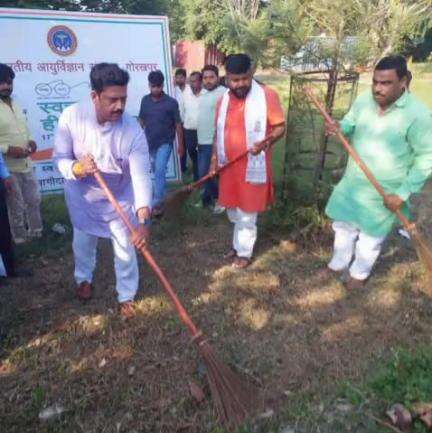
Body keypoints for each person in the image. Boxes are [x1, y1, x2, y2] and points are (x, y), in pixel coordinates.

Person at [323, 55, 432, 289]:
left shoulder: (419, 116)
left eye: (386, 83)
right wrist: (338, 127)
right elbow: (350, 123)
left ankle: (359, 274)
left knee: (370, 236)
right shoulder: (364, 100)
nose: (378, 89)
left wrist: (402, 194)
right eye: (375, 82)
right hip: (353, 182)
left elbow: (427, 158)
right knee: (343, 225)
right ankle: (340, 262)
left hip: (386, 190)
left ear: (403, 82)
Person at [54, 63, 152, 319]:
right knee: (83, 243)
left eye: (123, 99)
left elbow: (141, 176)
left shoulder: (132, 130)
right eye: (112, 99)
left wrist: (143, 220)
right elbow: (60, 159)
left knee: (124, 248)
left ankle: (126, 295)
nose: (119, 106)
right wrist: (76, 167)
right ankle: (83, 279)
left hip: (119, 198)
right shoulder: (71, 117)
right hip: (83, 198)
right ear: (94, 96)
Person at [211, 54, 285, 269]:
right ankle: (238, 244)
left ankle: (244, 252)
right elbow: (218, 133)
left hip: (253, 168)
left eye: (244, 78)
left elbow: (280, 127)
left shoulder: (267, 96)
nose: (240, 84)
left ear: (251, 74)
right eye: (235, 80)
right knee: (233, 211)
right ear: (227, 79)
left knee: (247, 213)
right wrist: (214, 159)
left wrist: (266, 142)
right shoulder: (222, 100)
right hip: (229, 168)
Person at [0, 63, 43, 244]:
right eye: (1, 83)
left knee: (34, 200)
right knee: (15, 206)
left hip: (26, 164)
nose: (5, 87)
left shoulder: (16, 104)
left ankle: (37, 233)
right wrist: (8, 149)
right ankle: (19, 239)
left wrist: (31, 141)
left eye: (9, 82)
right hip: (7, 168)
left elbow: (24, 129)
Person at [138, 70, 184, 216]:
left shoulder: (171, 103)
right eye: (153, 86)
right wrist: (138, 140)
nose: (155, 89)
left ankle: (156, 205)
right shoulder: (145, 100)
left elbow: (178, 125)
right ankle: (163, 200)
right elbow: (141, 120)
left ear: (163, 85)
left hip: (165, 142)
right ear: (149, 85)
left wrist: (180, 144)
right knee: (157, 172)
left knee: (159, 170)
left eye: (158, 86)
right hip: (149, 143)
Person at [197, 64, 226, 212]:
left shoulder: (224, 93)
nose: (208, 81)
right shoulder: (202, 93)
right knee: (204, 173)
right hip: (201, 141)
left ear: (217, 78)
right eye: (205, 78)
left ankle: (219, 200)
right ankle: (206, 200)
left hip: (213, 141)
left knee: (208, 172)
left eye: (211, 77)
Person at [182, 71, 205, 181]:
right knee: (192, 152)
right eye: (190, 81)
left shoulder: (206, 94)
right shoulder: (186, 94)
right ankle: (198, 174)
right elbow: (182, 110)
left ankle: (200, 178)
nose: (192, 84)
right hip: (189, 130)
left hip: (204, 130)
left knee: (203, 154)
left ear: (201, 82)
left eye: (194, 81)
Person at [174, 68, 189, 173]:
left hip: (189, 122)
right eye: (177, 77)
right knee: (180, 144)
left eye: (181, 77)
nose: (179, 79)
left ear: (185, 78)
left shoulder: (190, 89)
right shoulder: (173, 90)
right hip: (178, 122)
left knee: (189, 145)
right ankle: (182, 168)